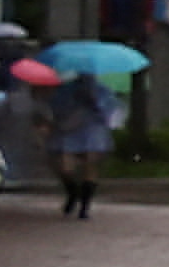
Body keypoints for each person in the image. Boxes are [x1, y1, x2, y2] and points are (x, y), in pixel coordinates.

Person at [47, 57, 117, 220]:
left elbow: (109, 111)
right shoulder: (65, 90)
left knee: (90, 166)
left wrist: (95, 103)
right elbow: (56, 108)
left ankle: (85, 206)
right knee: (65, 167)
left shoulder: (102, 90)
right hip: (70, 129)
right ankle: (73, 192)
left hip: (93, 130)